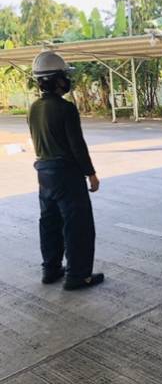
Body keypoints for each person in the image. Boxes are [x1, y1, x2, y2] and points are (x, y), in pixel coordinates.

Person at [28, 51, 104, 291]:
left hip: (44, 174)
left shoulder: (34, 108)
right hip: (66, 174)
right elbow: (77, 146)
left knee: (49, 222)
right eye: (63, 77)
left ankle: (50, 270)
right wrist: (90, 173)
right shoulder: (65, 108)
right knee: (77, 224)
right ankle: (78, 276)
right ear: (55, 80)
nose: (66, 81)